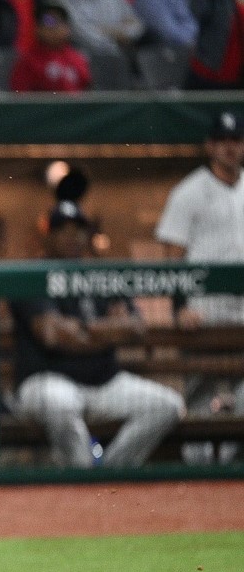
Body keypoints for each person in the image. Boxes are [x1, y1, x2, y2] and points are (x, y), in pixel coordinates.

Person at [10, 200, 185, 467]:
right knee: (60, 405)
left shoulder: (102, 275)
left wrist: (83, 330)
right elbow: (53, 335)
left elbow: (136, 328)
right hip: (47, 381)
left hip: (105, 383)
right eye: (63, 230)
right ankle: (82, 480)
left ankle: (111, 474)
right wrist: (108, 329)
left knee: (167, 406)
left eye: (78, 230)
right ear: (49, 236)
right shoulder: (31, 275)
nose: (73, 237)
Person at [155, 110, 244, 462]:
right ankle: (197, 474)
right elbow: (172, 259)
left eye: (235, 141)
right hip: (204, 309)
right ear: (210, 146)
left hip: (241, 312)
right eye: (221, 141)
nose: (228, 148)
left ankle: (229, 473)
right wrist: (180, 308)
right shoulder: (188, 191)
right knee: (199, 399)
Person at [10, 0, 91, 94]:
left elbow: (88, 93)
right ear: (37, 28)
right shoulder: (28, 61)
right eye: (49, 21)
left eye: (61, 21)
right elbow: (19, 97)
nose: (55, 27)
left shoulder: (78, 59)